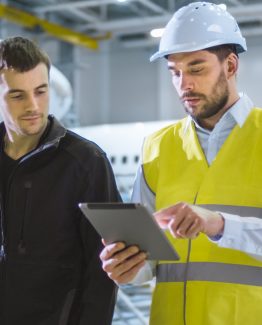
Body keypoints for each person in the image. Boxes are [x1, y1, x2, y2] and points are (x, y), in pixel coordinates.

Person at [99, 2, 262, 325]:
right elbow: (147, 263)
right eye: (175, 72)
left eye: (196, 69)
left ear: (230, 66)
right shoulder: (158, 147)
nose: (184, 84)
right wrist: (126, 267)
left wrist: (218, 224)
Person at [0, 36, 121, 325]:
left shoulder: (87, 162)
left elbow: (103, 270)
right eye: (17, 95)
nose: (33, 106)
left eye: (41, 91)